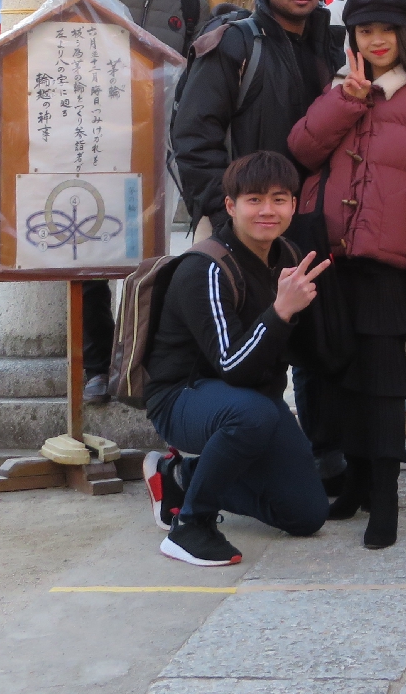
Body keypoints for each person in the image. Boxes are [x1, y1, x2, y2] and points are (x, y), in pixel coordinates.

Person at [288, 0, 406, 549]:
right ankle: (355, 485)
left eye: (387, 31)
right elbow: (303, 149)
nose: (377, 40)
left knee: (385, 386)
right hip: (330, 259)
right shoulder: (338, 90)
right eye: (366, 31)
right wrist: (348, 100)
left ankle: (384, 500)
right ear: (352, 38)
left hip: (388, 265)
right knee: (340, 378)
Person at [142, 150, 332, 567]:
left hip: (251, 402)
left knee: (306, 515)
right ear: (230, 206)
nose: (268, 210)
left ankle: (180, 477)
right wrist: (281, 310)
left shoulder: (287, 255)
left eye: (280, 199)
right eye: (254, 200)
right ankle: (190, 527)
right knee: (253, 416)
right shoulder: (206, 267)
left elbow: (307, 351)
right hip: (182, 399)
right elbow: (233, 365)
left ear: (294, 205)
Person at [82, 0, 206, 402]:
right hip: (97, 143)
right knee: (89, 252)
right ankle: (95, 365)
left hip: (159, 148)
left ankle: (136, 363)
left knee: (150, 258)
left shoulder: (193, 6)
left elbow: (196, 79)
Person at [173, 0, 342, 230]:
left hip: (311, 219)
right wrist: (225, 210)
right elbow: (194, 137)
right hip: (245, 219)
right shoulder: (236, 44)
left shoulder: (331, 49)